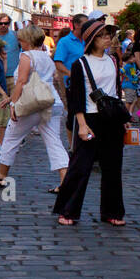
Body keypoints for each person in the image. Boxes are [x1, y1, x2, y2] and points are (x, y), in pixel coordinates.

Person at [54, 18, 125, 227]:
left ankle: (112, 212)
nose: (108, 39)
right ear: (92, 40)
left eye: (109, 35)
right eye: (103, 35)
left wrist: (122, 119)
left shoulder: (113, 60)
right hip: (90, 117)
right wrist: (82, 124)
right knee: (80, 166)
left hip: (111, 118)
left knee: (113, 167)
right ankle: (68, 210)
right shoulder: (80, 64)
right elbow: (76, 98)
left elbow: (116, 90)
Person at [0, 26, 70, 192]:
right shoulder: (46, 57)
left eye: (21, 40)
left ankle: (2, 177)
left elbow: (22, 82)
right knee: (54, 141)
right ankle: (65, 180)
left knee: (11, 137)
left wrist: (13, 104)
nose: (19, 42)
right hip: (52, 101)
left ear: (28, 40)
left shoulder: (26, 56)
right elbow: (41, 81)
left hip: (32, 105)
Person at [53, 13, 89, 88]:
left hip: (88, 82)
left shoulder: (87, 40)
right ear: (76, 25)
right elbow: (58, 63)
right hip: (72, 84)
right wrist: (71, 74)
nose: (87, 27)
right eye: (85, 24)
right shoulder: (64, 41)